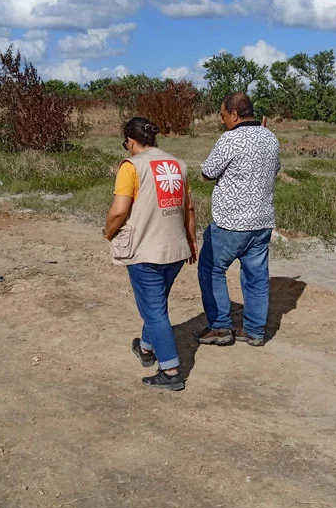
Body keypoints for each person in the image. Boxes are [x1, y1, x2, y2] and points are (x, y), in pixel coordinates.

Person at [104, 117, 198, 391]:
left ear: (130, 141)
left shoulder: (131, 166)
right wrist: (192, 242)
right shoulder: (178, 165)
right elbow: (189, 208)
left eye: (126, 144)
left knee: (154, 310)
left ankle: (170, 370)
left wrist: (108, 232)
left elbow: (119, 211)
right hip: (175, 248)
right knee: (156, 303)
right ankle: (146, 348)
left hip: (146, 251)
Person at [197, 92, 280, 347]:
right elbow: (276, 169)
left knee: (211, 268)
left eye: (223, 116)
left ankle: (221, 327)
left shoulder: (230, 140)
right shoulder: (271, 137)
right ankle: (254, 331)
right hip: (262, 221)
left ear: (234, 114)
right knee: (256, 276)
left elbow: (207, 172)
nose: (222, 121)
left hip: (231, 223)